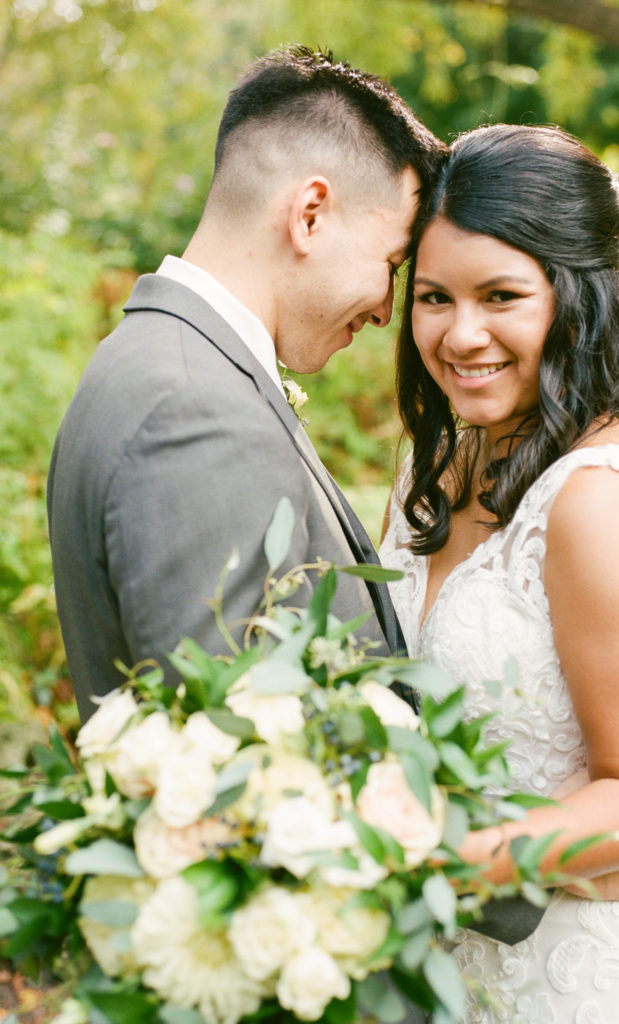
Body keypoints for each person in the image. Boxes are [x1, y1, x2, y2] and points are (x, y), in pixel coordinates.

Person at [380, 123, 619, 1021]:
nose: (461, 335)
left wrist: (406, 865)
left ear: (577, 300)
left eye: (501, 296)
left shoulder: (595, 502)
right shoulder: (433, 473)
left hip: (580, 979)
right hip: (452, 965)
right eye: (432, 298)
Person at [48, 45, 444, 721]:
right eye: (391, 262)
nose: (385, 310)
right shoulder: (194, 413)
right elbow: (236, 757)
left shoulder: (158, 363)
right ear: (310, 214)